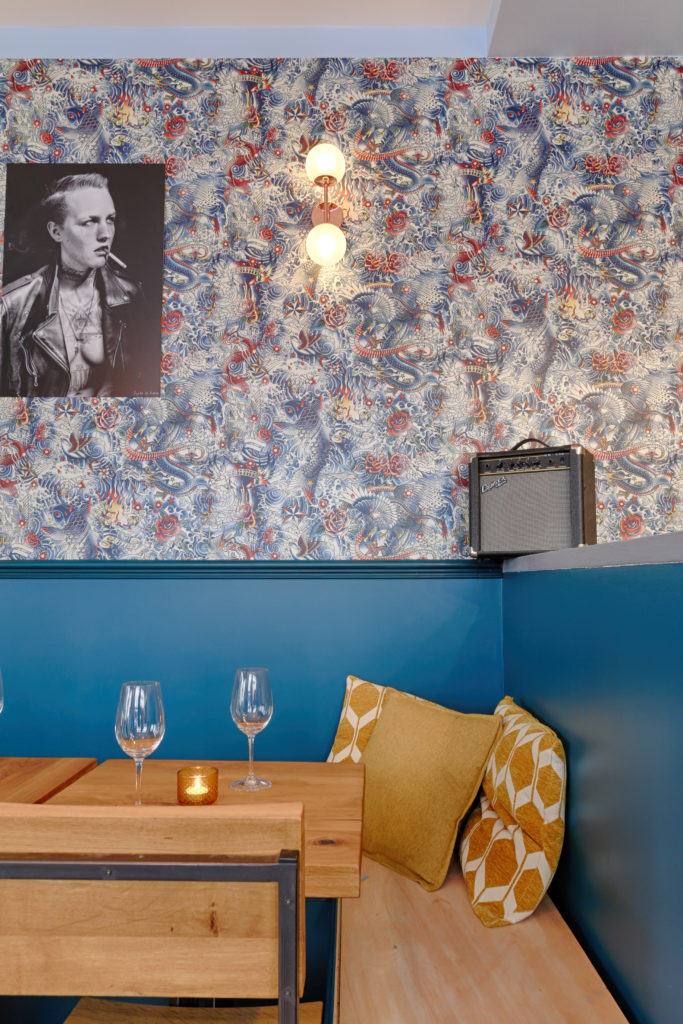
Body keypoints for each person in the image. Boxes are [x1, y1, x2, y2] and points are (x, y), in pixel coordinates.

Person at [1, 172, 155, 397]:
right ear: (56, 231)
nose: (105, 234)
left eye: (110, 219)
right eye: (89, 222)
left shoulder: (130, 295)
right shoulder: (12, 305)